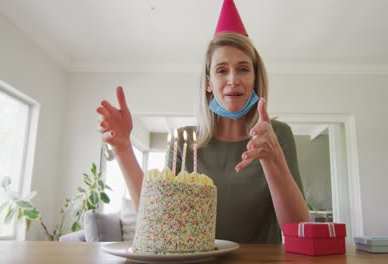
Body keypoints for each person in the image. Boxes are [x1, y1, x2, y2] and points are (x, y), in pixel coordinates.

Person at [96, 0, 309, 243]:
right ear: (208, 82)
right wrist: (123, 148)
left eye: (243, 69)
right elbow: (155, 218)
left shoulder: (277, 136)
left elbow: (299, 229)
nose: (232, 80)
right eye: (221, 70)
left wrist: (273, 159)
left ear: (255, 77)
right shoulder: (183, 142)